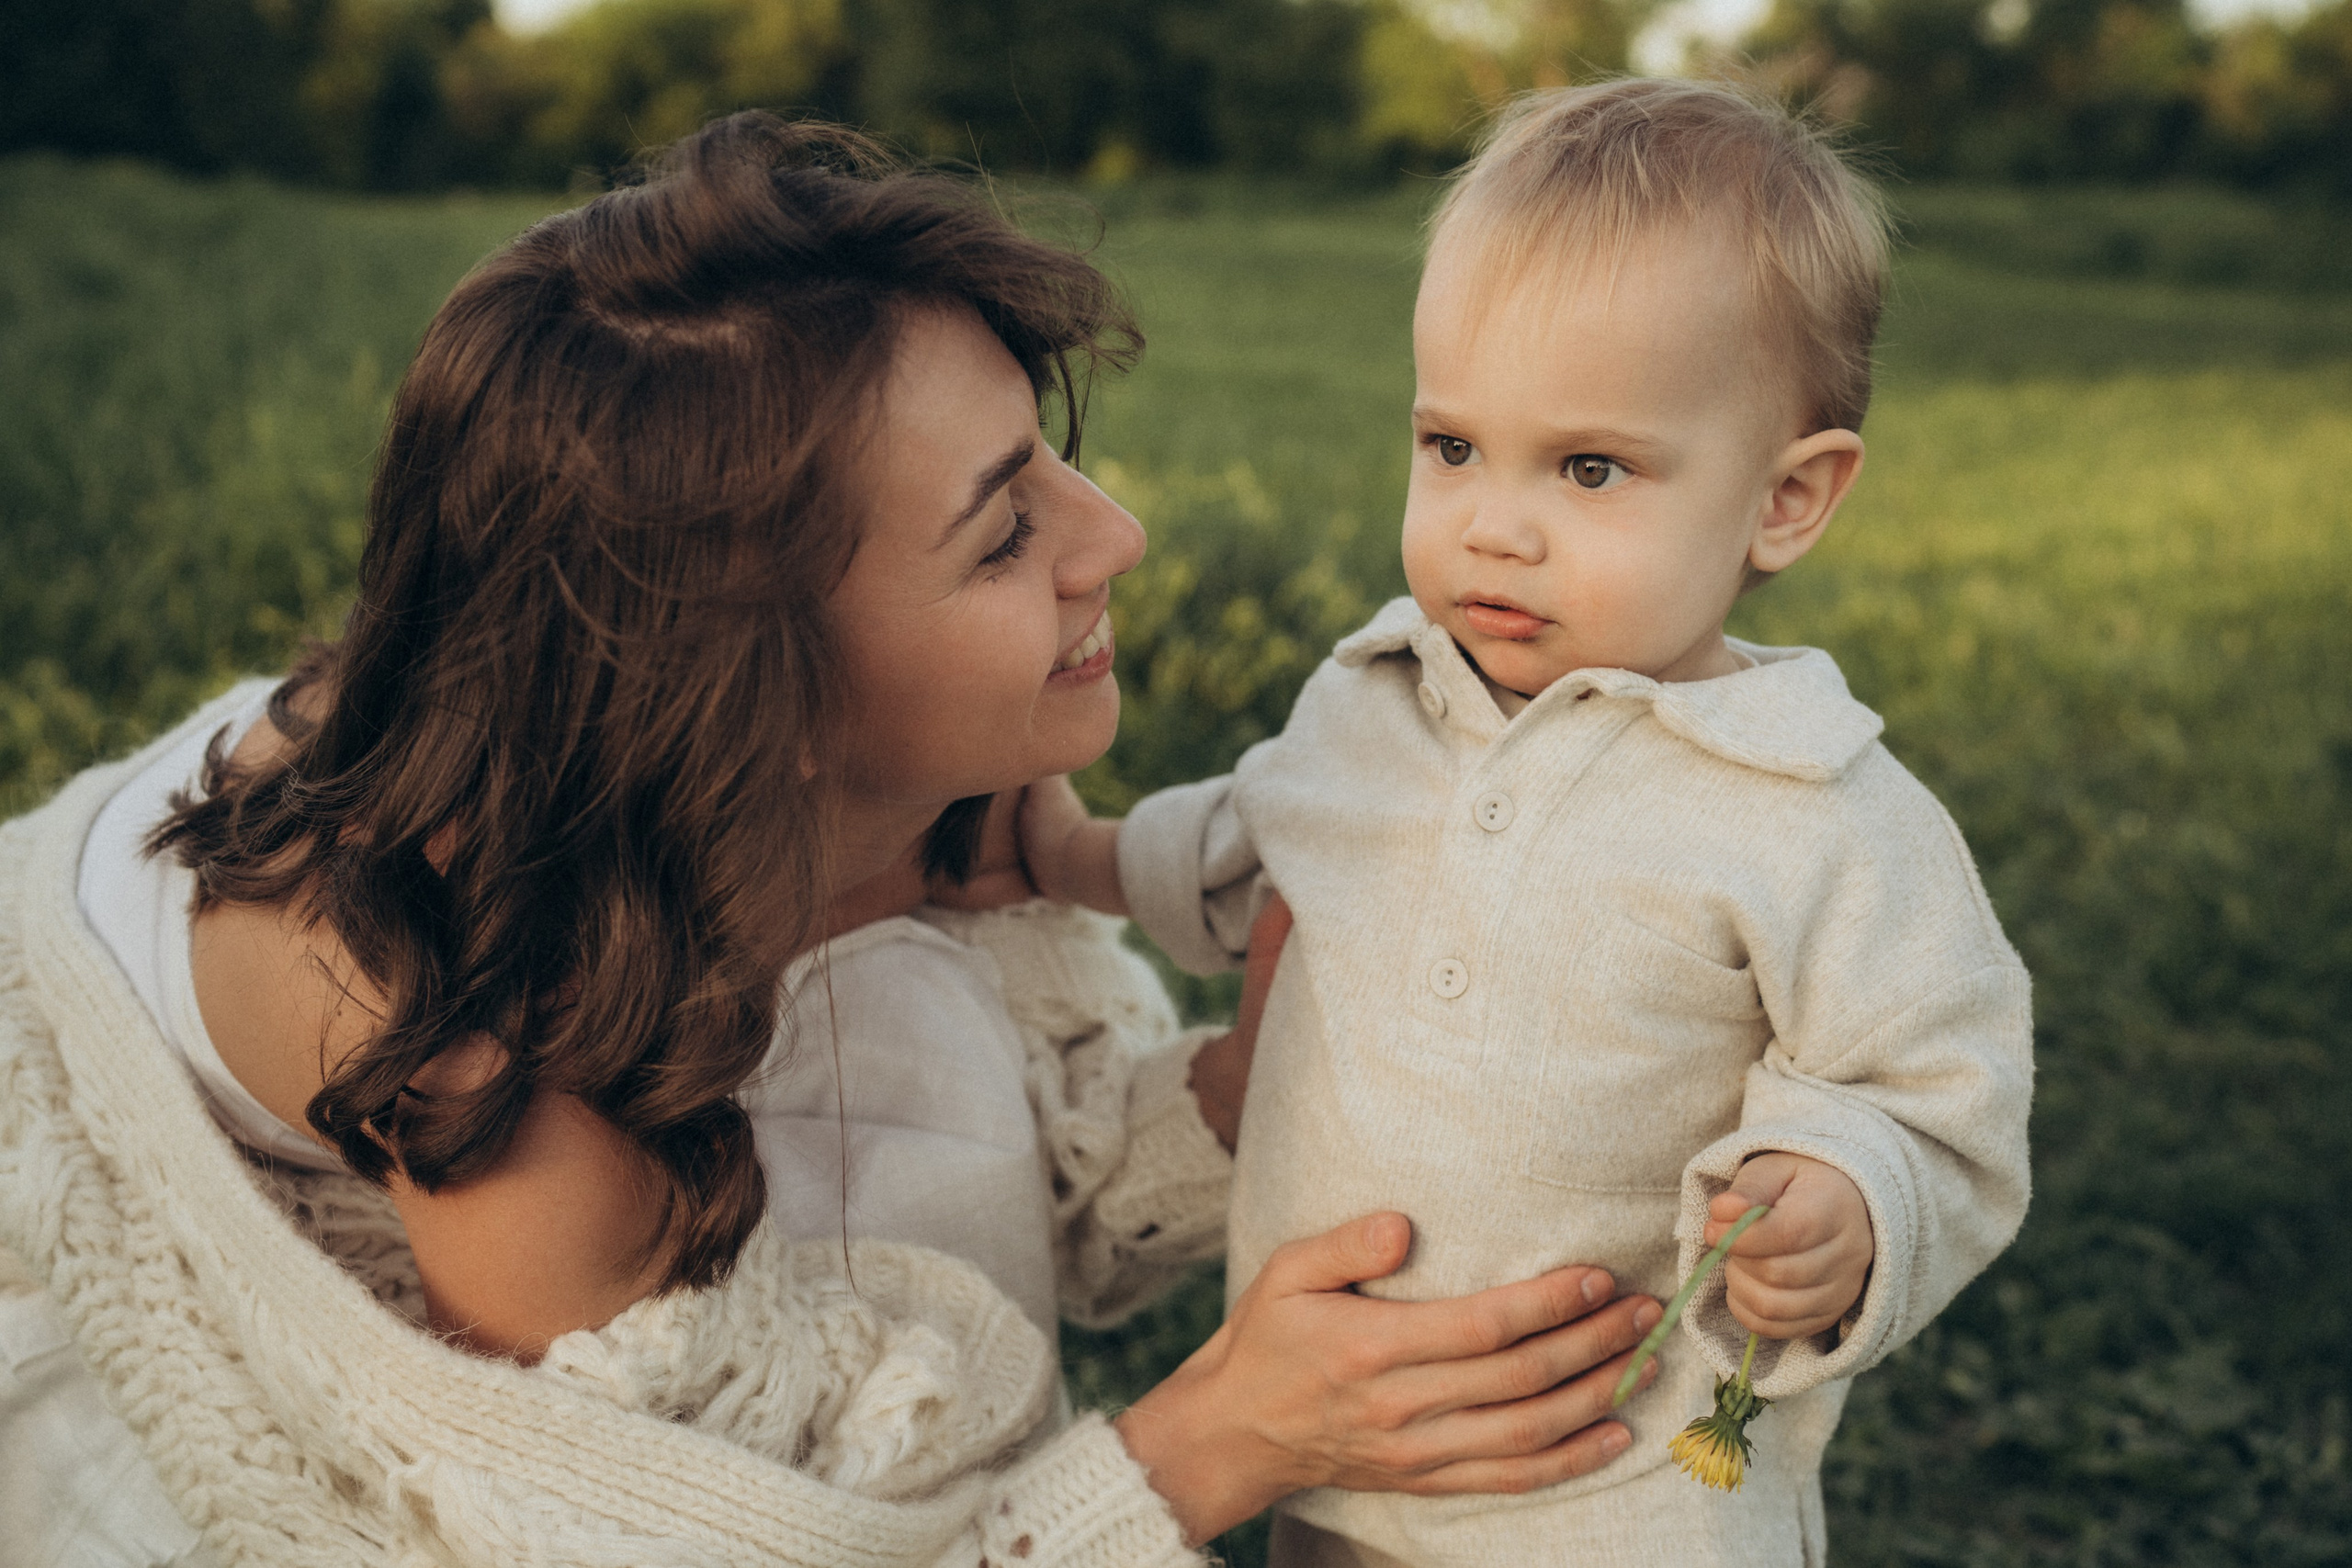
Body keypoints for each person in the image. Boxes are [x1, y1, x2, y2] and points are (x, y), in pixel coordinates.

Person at [0, 113, 1669, 1567]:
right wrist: (1215, 1441)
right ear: (752, 682)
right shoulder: (490, 1045)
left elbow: (1004, 1119)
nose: (1120, 539)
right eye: (1006, 530)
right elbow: (650, 1534)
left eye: (1052, 466)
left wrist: (1249, 1093)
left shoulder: (785, 766)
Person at [1018, 79, 2037, 1566]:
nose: (1496, 523)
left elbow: (1941, 1086)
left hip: (1618, 1498)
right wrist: (1073, 858)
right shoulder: (1375, 696)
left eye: (1590, 469)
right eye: (1452, 449)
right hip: (1328, 1452)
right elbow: (1252, 840)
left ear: (1787, 501)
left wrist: (1848, 1193)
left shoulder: (1812, 807)